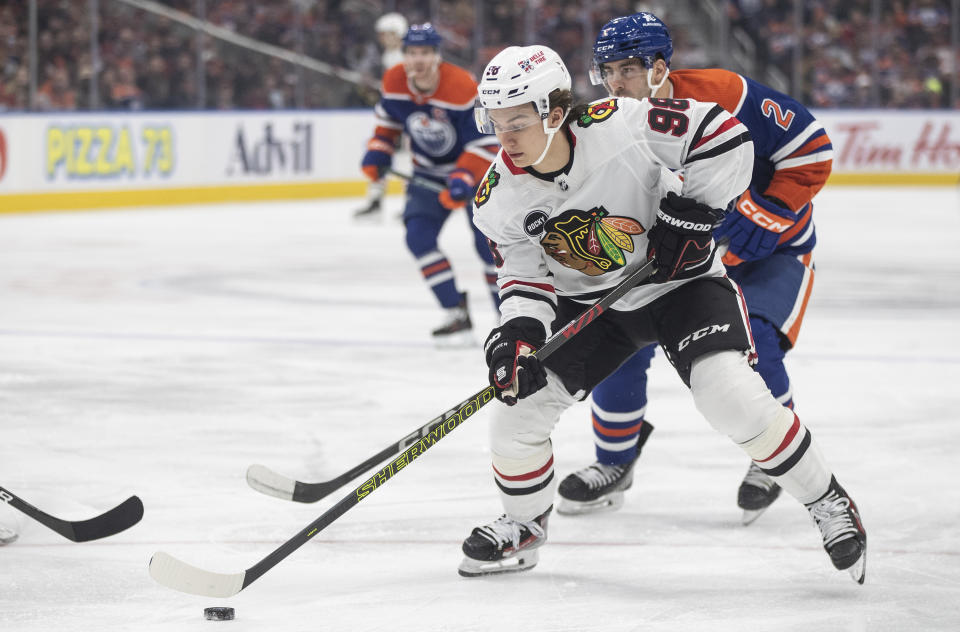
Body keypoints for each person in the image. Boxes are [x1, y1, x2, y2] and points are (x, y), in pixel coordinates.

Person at [458, 44, 866, 584]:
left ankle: (826, 500)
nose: (503, 138)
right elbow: (524, 276)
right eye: (494, 121)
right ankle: (525, 524)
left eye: (516, 121)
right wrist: (519, 334)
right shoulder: (497, 198)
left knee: (728, 395)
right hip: (592, 305)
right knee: (515, 413)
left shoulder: (620, 122)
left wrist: (695, 216)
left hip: (682, 285)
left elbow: (724, 137)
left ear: (554, 114)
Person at [556, 12, 835, 525]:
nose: (617, 83)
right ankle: (615, 461)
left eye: (629, 68)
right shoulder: (605, 124)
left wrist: (773, 211)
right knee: (617, 347)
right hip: (686, 259)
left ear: (660, 65)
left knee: (757, 347)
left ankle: (772, 460)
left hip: (770, 251)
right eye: (607, 71)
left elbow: (811, 147)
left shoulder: (723, 93)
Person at [357, 24, 501, 345]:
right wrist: (378, 151)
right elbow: (388, 122)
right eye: (411, 53)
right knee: (418, 238)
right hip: (426, 175)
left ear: (437, 56)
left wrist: (464, 177)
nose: (417, 60)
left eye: (424, 53)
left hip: (474, 175)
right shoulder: (394, 80)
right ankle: (455, 311)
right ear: (403, 56)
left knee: (488, 248)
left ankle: (507, 316)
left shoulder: (463, 86)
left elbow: (485, 142)